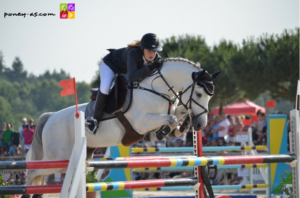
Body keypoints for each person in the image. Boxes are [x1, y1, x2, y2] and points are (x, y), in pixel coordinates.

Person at [85, 33, 163, 134]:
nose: (152, 54)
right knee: (105, 87)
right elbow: (131, 77)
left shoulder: (156, 58)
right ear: (142, 48)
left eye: (154, 51)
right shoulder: (133, 53)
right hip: (110, 65)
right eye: (149, 50)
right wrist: (150, 67)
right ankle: (94, 119)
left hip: (124, 70)